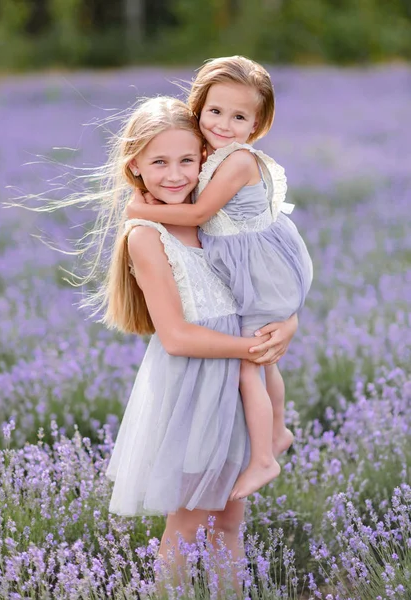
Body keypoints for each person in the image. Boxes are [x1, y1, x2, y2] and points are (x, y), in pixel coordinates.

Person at [99, 96, 298, 569]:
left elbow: (261, 285)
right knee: (187, 526)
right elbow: (177, 338)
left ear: (205, 158)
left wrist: (286, 321)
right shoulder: (148, 235)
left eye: (187, 160)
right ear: (136, 166)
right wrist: (253, 348)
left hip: (234, 389)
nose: (175, 175)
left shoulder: (212, 218)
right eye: (160, 162)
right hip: (195, 388)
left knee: (229, 522)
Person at [126, 56, 313, 502]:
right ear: (198, 109)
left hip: (260, 270)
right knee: (260, 360)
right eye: (214, 112)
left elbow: (196, 214)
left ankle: (267, 452)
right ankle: (278, 433)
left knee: (255, 363)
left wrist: (138, 208)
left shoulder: (235, 161)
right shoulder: (205, 161)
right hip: (244, 286)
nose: (224, 124)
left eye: (239, 116)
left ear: (257, 123)